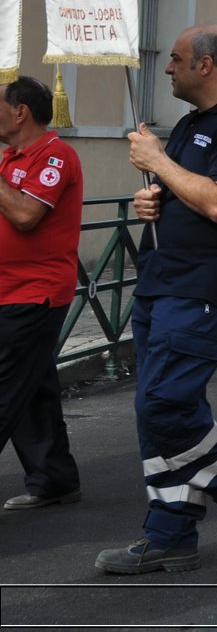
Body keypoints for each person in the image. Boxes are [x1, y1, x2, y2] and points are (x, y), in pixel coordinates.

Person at [96, 26, 217, 575]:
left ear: (204, 64)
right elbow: (186, 191)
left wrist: (159, 161)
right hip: (162, 280)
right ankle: (170, 534)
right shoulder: (192, 124)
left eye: (175, 59)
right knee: (157, 412)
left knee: (165, 406)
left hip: (200, 290)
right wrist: (154, 199)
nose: (168, 68)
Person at [0, 76, 83, 512]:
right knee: (32, 389)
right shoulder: (10, 159)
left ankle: (52, 477)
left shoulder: (55, 154)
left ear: (20, 112)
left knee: (6, 387)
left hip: (34, 295)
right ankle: (54, 478)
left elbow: (27, 214)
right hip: (8, 291)